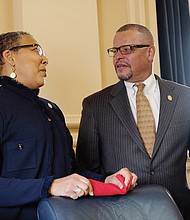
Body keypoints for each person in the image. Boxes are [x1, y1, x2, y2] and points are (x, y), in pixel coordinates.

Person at [0, 31, 137, 220]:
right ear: (10, 57)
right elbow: (57, 183)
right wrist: (50, 186)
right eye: (36, 49)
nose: (45, 59)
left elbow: (71, 172)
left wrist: (107, 179)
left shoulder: (51, 110)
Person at [76, 23, 190, 219]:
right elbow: (87, 169)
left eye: (127, 49)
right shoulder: (95, 105)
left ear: (150, 52)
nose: (119, 56)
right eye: (115, 51)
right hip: (121, 211)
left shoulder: (184, 97)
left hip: (179, 209)